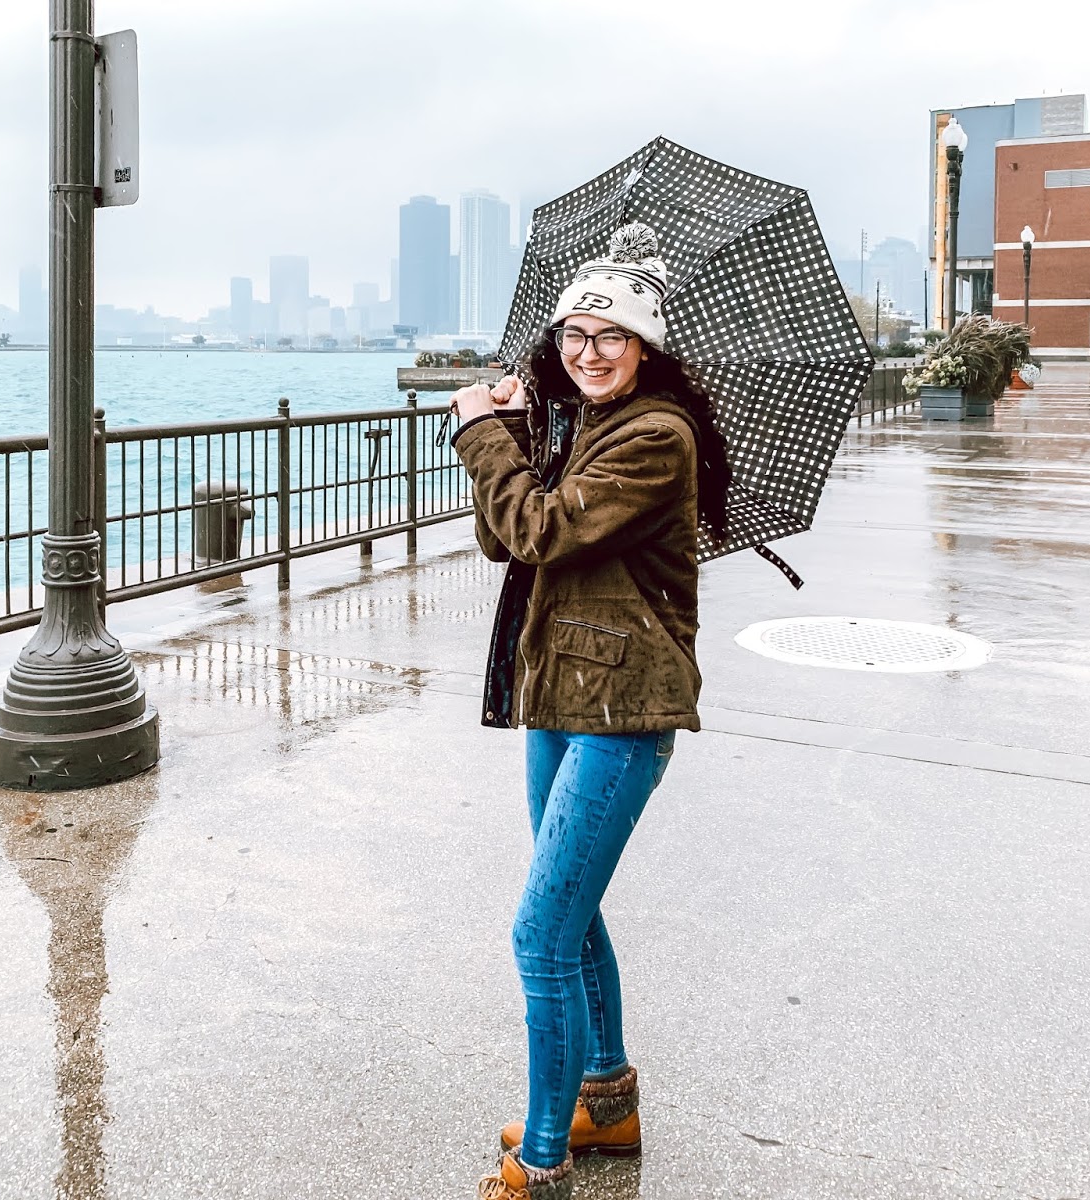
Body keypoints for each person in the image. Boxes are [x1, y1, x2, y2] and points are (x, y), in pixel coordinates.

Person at [451, 225, 732, 1200]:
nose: (589, 351)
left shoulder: (657, 437)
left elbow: (538, 528)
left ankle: (541, 1160)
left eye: (611, 335)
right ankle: (604, 1102)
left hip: (622, 713)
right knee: (570, 914)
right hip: (559, 694)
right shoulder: (583, 425)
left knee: (540, 934)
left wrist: (478, 434)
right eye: (574, 333)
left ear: (644, 347)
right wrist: (524, 433)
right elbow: (507, 542)